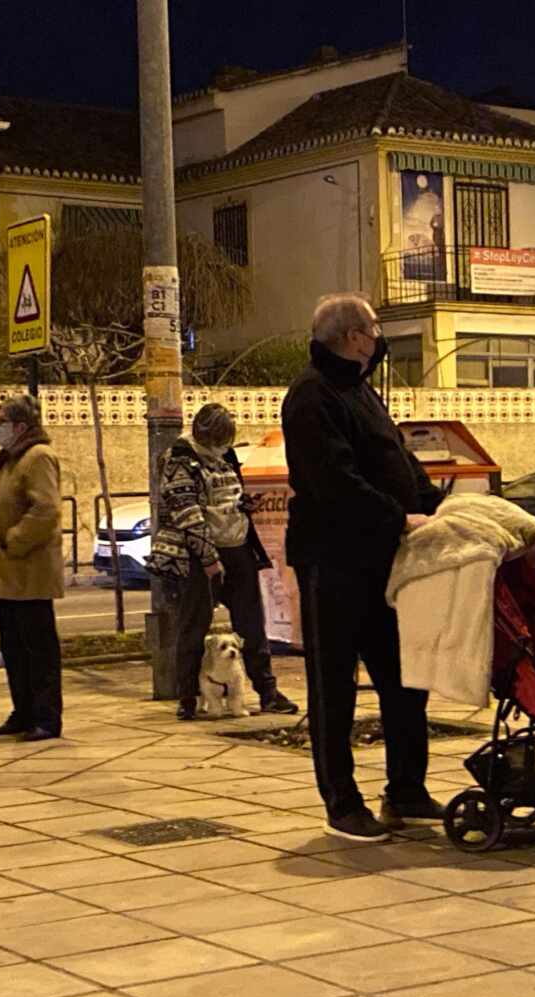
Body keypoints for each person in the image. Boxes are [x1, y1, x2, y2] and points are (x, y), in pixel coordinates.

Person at [282, 293, 446, 843]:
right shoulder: (311, 396)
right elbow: (334, 481)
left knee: (404, 679)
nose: (380, 337)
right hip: (334, 560)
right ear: (352, 336)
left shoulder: (359, 388)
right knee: (334, 686)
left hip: (383, 561)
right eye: (374, 328)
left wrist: (434, 506)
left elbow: (396, 456)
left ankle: (406, 789)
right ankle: (342, 802)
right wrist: (399, 518)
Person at [148, 403, 299, 722]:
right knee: (193, 627)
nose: (224, 446)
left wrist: (243, 504)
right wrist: (208, 559)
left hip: (238, 546)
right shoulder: (179, 459)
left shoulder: (226, 456)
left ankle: (267, 691)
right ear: (206, 435)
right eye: (220, 439)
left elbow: (229, 495)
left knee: (251, 624)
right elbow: (186, 512)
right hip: (201, 555)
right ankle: (188, 697)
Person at [0, 395, 64, 742]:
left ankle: (45, 716)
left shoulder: (38, 457)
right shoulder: (9, 461)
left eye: (1, 421)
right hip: (7, 574)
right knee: (14, 649)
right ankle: (24, 710)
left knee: (37, 650)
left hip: (29, 571)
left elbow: (46, 509)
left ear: (19, 426)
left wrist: (14, 540)